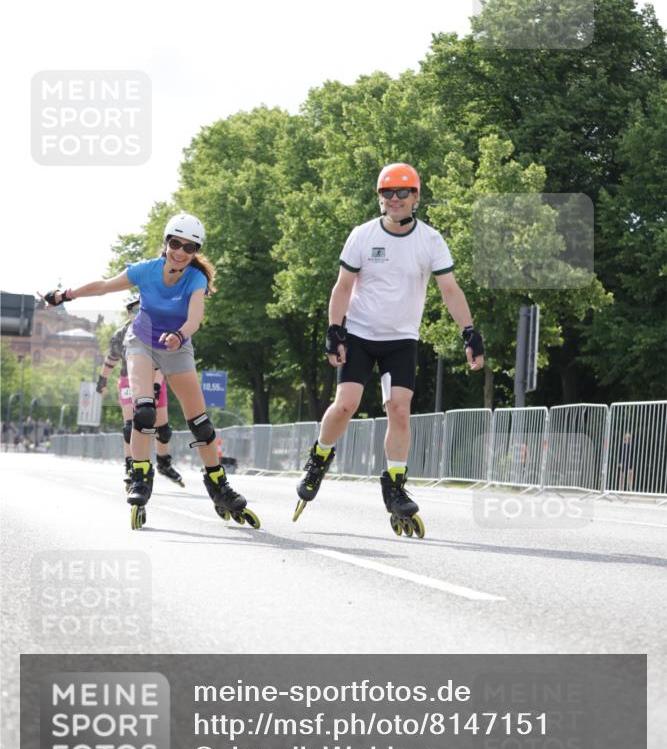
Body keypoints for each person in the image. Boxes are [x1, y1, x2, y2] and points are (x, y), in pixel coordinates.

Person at [293, 163, 484, 537]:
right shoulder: (362, 236)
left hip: (401, 339)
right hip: (361, 334)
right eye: (388, 193)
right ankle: (319, 458)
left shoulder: (430, 240)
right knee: (346, 404)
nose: (395, 199)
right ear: (380, 198)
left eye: (403, 192)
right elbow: (343, 287)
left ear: (416, 196)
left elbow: (450, 290)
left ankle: (394, 484)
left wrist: (470, 332)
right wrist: (335, 330)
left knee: (399, 408)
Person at [43, 213, 260, 530]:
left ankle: (218, 485)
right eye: (175, 243)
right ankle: (141, 477)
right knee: (143, 413)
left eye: (189, 247)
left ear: (195, 250)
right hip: (141, 343)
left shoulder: (195, 279)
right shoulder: (146, 271)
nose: (181, 252)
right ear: (166, 243)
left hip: (177, 345)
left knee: (200, 423)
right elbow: (105, 286)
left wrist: (180, 335)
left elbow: (195, 318)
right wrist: (66, 294)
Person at [96, 298, 186, 489]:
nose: (137, 313)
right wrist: (102, 380)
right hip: (129, 381)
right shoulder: (121, 333)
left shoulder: (158, 330)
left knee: (163, 430)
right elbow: (111, 359)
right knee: (132, 426)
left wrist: (156, 386)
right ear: (128, 313)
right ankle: (131, 466)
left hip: (156, 378)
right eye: (133, 310)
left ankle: (164, 463)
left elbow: (163, 361)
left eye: (141, 309)